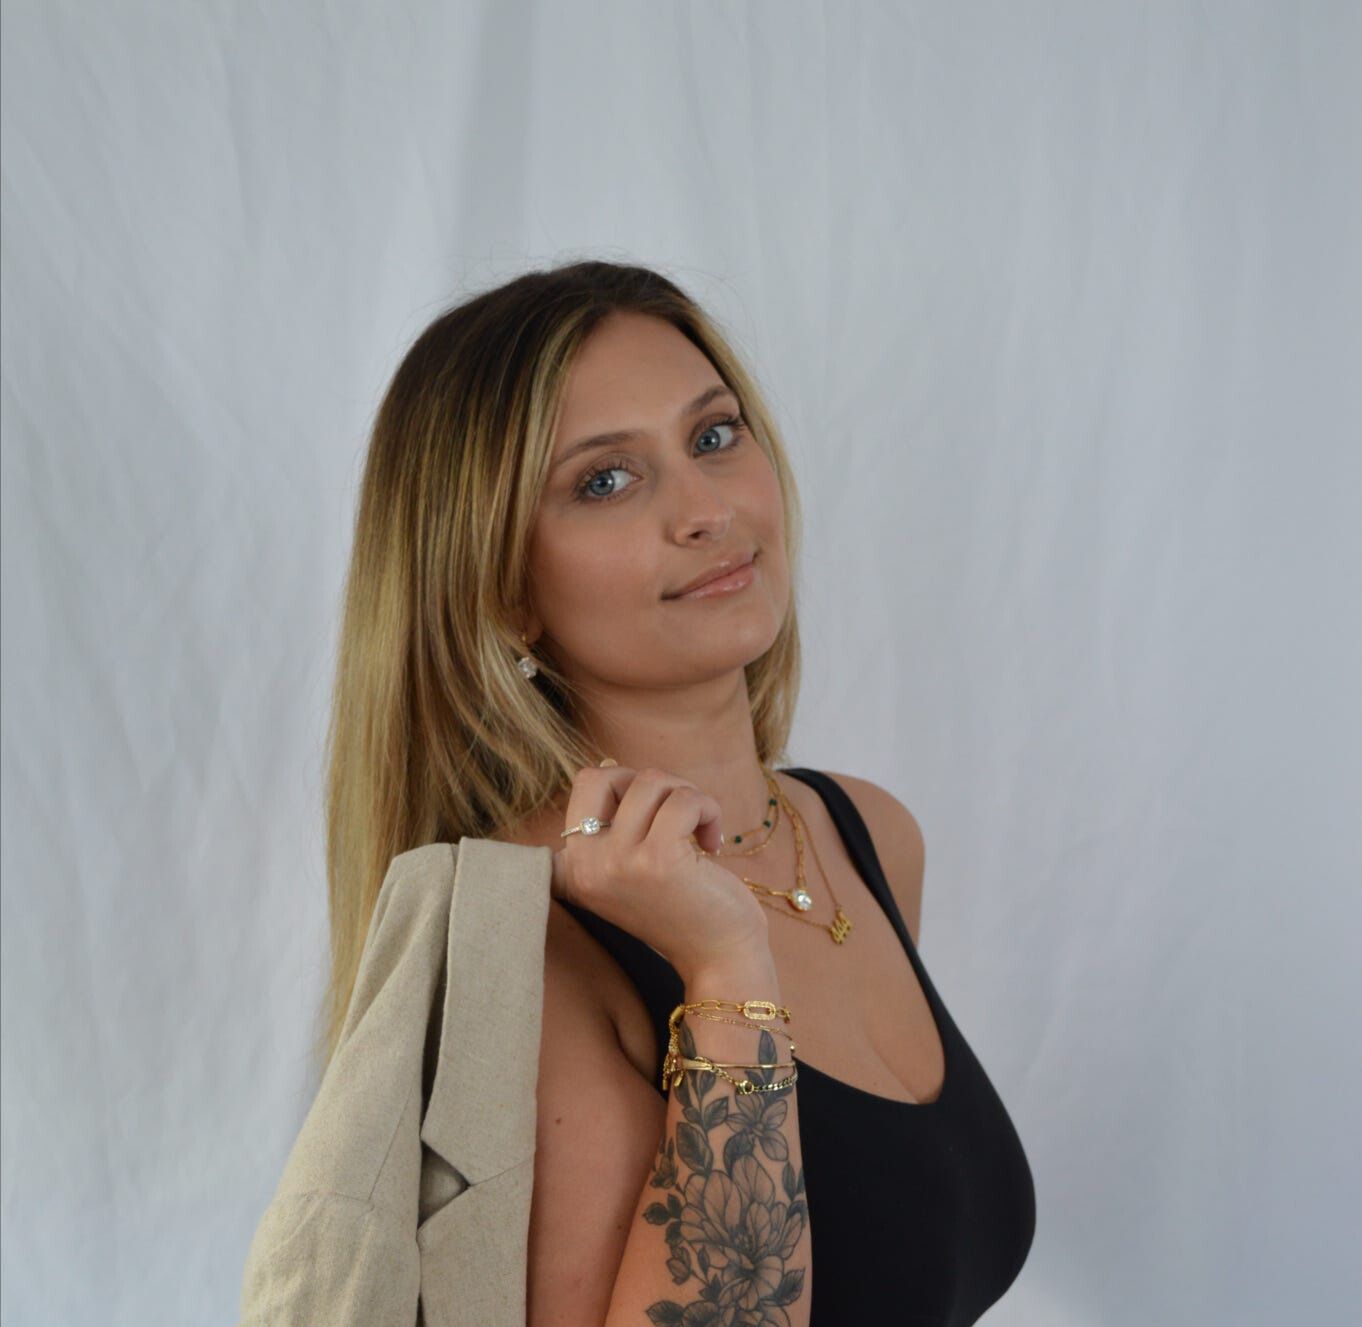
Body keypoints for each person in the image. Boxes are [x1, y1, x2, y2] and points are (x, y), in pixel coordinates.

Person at [309, 260, 1035, 1324]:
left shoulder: (864, 834)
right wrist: (722, 968)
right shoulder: (529, 951)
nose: (706, 508)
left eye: (714, 435)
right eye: (605, 480)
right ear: (502, 592)